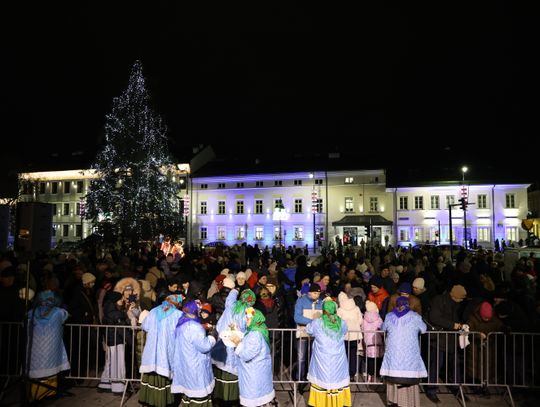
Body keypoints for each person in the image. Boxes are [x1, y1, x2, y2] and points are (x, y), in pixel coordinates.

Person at [211, 288, 256, 406]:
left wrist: (235, 290)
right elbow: (249, 328)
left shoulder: (231, 306)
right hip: (235, 348)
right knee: (232, 372)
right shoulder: (248, 311)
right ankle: (232, 399)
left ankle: (220, 399)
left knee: (221, 371)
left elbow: (230, 298)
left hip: (221, 347)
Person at [380, 296, 427, 407]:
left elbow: (383, 328)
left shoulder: (389, 316)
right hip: (409, 356)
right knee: (408, 377)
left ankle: (394, 400)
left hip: (393, 356)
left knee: (393, 378)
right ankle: (407, 402)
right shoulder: (415, 316)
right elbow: (424, 329)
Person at [138, 293, 183, 407]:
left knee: (151, 375)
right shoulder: (177, 314)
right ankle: (162, 401)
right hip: (166, 351)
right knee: (164, 374)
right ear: (177, 304)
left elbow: (145, 326)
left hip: (152, 351)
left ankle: (149, 400)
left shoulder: (154, 311)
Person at [306, 299, 352, 407]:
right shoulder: (341, 322)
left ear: (323, 310)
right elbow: (344, 331)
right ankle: (336, 403)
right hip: (338, 358)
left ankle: (322, 404)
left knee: (322, 380)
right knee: (337, 380)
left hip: (322, 358)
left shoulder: (317, 322)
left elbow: (309, 330)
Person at [171, 301, 216, 406]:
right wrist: (212, 336)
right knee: (198, 395)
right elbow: (204, 346)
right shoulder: (195, 327)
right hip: (195, 366)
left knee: (189, 394)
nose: (200, 313)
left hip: (185, 365)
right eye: (198, 311)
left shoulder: (181, 325)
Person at [230, 307, 277, 407]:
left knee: (254, 401)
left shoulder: (255, 334)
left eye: (249, 319)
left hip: (253, 375)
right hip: (258, 372)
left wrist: (238, 343)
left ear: (255, 319)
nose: (246, 320)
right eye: (246, 318)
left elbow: (247, 355)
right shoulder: (258, 329)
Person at [27, 291, 70, 383]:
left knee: (37, 375)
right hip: (51, 349)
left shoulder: (31, 313)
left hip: (35, 351)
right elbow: (65, 316)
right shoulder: (58, 312)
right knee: (50, 375)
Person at [294, 283, 323, 382]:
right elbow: (297, 317)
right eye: (315, 293)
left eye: (318, 294)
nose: (317, 295)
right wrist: (313, 322)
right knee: (301, 358)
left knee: (314, 358)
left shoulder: (321, 302)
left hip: (316, 335)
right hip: (303, 333)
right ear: (309, 292)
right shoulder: (301, 301)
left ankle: (313, 379)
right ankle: (299, 379)